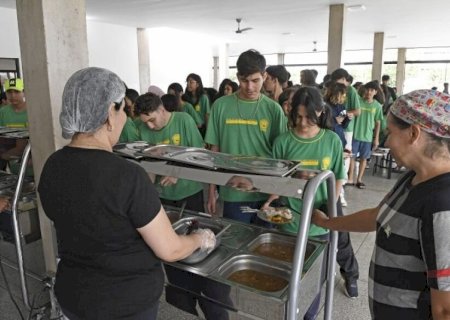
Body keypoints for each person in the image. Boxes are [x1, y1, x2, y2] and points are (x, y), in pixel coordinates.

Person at [38, 67, 216, 320]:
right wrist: (200, 238)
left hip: (73, 294)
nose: (125, 119)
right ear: (110, 113)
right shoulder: (126, 175)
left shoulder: (53, 165)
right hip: (123, 302)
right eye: (123, 110)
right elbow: (171, 250)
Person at [312, 89, 450, 319]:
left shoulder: (442, 205)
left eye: (390, 132)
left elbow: (445, 309)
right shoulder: (414, 177)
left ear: (413, 133)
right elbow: (380, 215)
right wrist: (328, 222)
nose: (386, 140)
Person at [265, 86, 359, 303]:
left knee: (318, 277)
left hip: (321, 217)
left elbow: (338, 177)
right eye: (298, 117)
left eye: (309, 117)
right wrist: (269, 201)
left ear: (320, 112)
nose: (303, 123)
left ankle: (349, 275)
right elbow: (277, 181)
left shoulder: (331, 140)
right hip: (291, 219)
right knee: (291, 272)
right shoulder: (283, 142)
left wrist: (328, 210)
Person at [205, 49, 287, 222]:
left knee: (266, 244)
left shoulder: (273, 110)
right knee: (236, 240)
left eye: (255, 80)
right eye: (244, 81)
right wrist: (212, 190)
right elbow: (215, 150)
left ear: (264, 76)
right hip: (233, 191)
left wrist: (275, 193)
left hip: (264, 191)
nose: (250, 87)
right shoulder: (221, 106)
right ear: (237, 77)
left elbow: (280, 156)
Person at [134, 92, 204, 212]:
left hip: (189, 191)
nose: (150, 126)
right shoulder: (142, 129)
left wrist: (177, 172)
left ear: (161, 110)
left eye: (152, 120)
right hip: (162, 194)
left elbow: (199, 155)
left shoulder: (184, 120)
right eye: (146, 122)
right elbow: (148, 164)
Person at [348, 81, 383, 189]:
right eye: (367, 89)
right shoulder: (358, 101)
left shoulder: (377, 106)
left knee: (364, 158)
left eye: (372, 90)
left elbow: (378, 122)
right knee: (352, 157)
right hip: (355, 135)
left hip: (367, 137)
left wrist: (376, 138)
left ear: (375, 92)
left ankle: (359, 179)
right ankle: (350, 178)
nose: (369, 92)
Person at [0, 78, 30, 173]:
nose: (13, 96)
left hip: (32, 163)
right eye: (9, 92)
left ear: (24, 92)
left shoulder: (32, 110)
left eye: (17, 92)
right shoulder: (3, 112)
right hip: (14, 167)